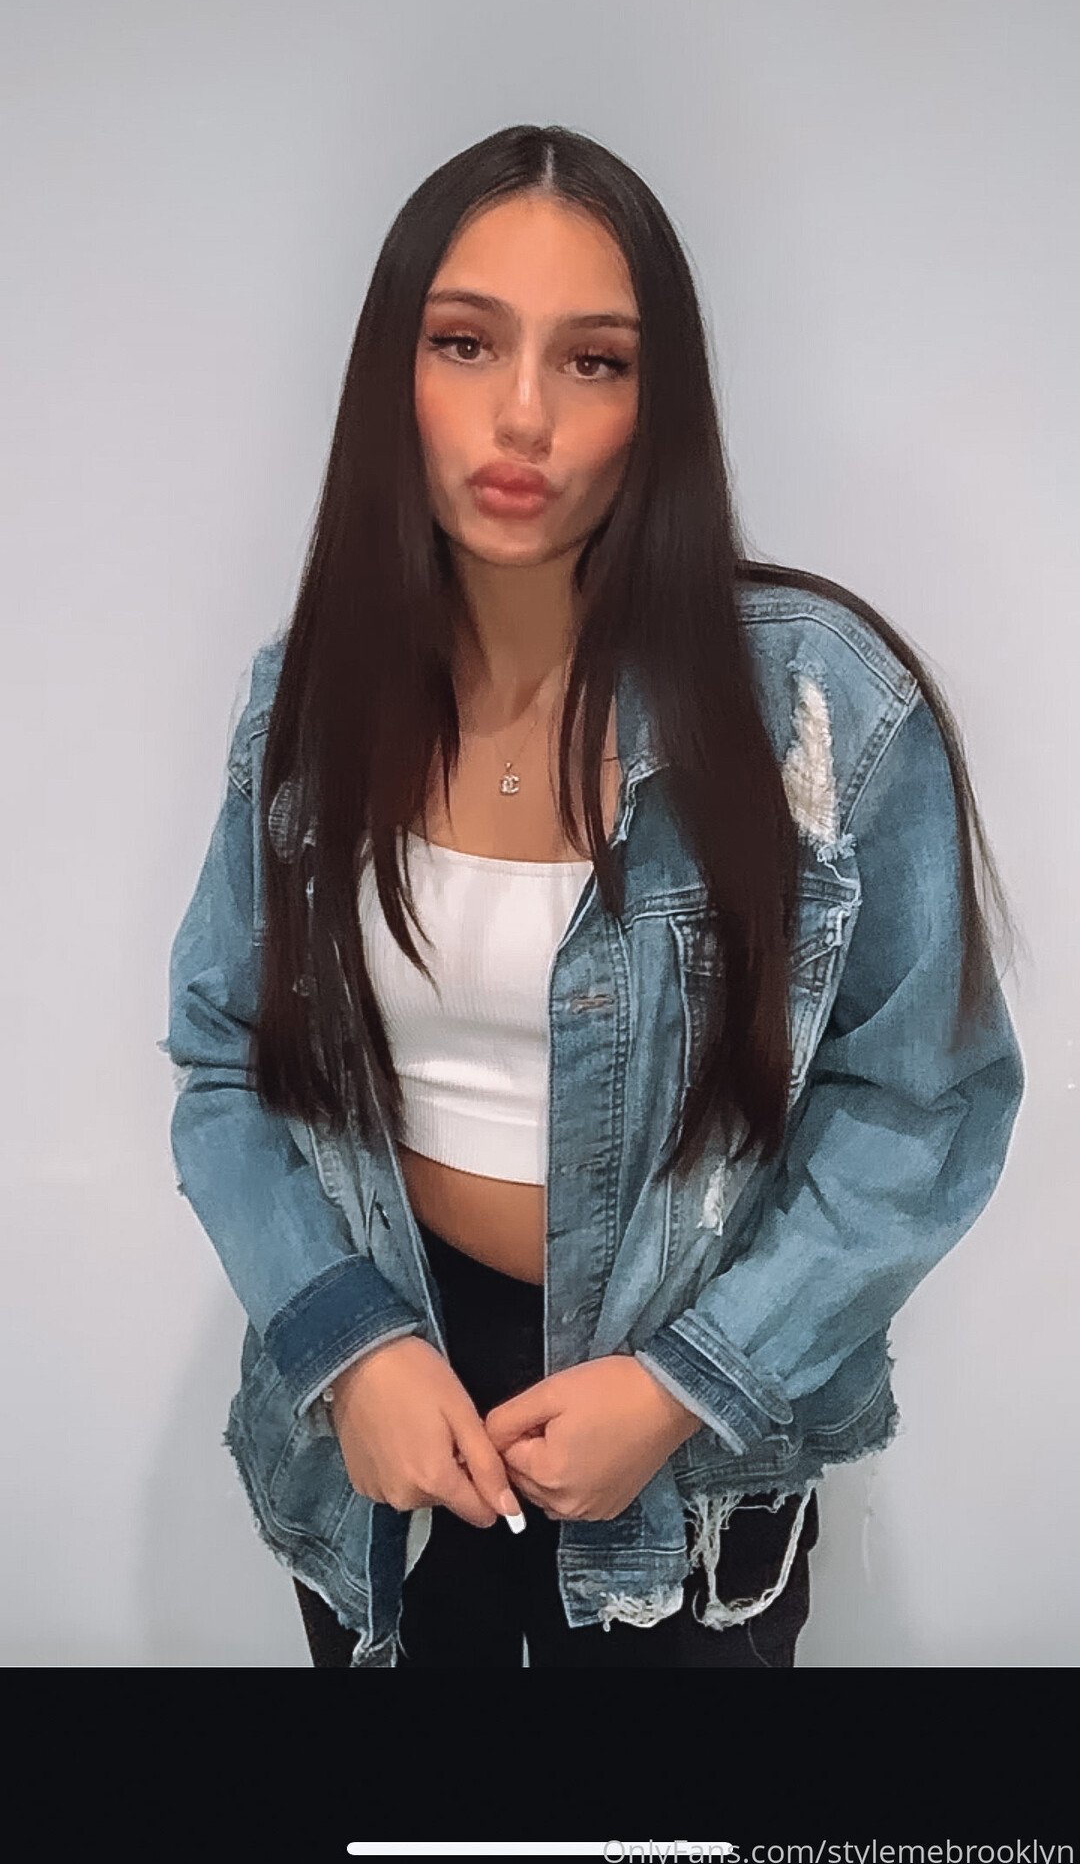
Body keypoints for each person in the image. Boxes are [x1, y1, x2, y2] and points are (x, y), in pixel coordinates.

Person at [162, 123, 1025, 1668]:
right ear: (393, 374)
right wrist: (346, 1344)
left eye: (595, 361)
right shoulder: (307, 702)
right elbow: (226, 1062)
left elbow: (925, 1105)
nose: (522, 414)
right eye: (466, 341)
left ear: (659, 402)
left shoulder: (821, 712)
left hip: (680, 1446)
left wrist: (686, 1383)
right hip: (390, 1409)